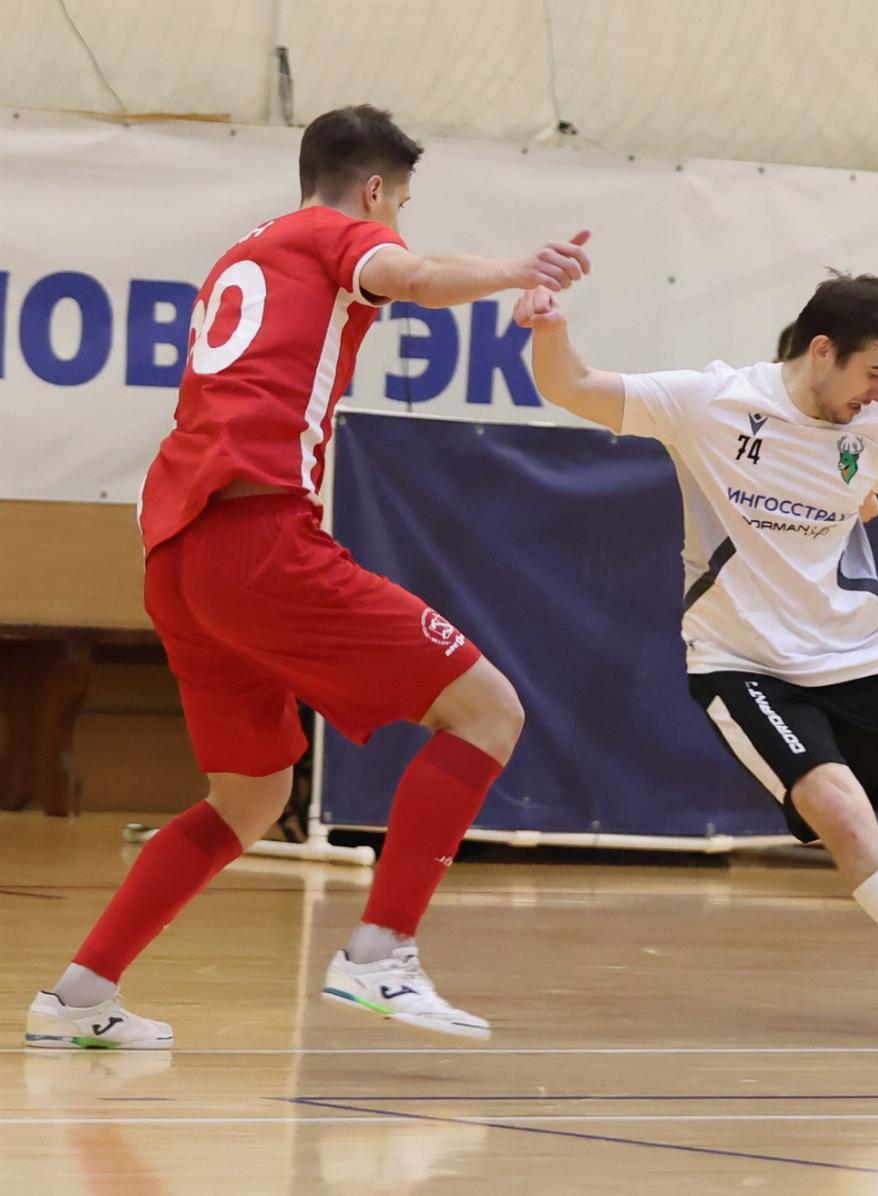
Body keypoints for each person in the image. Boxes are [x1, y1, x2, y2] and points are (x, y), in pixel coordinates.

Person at [24, 105, 592, 1050]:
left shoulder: (247, 251)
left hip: (179, 556)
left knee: (249, 797)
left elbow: (404, 273)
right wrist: (514, 269)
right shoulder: (338, 235)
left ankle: (81, 993)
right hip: (258, 543)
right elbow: (415, 277)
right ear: (373, 191)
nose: (397, 226)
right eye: (398, 205)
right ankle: (380, 953)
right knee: (489, 712)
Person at [516, 272, 878, 1045]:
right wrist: (549, 328)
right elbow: (569, 385)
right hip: (743, 663)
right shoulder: (711, 402)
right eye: (873, 372)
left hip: (861, 654)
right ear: (822, 350)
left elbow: (862, 499)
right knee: (840, 812)